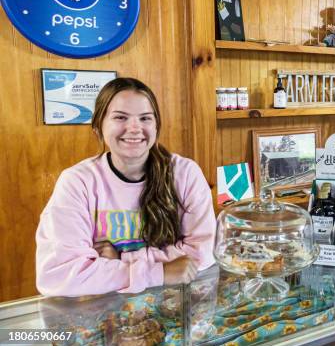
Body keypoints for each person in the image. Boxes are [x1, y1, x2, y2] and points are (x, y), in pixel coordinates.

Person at [36, 78, 216, 296]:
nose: (134, 128)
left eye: (145, 118)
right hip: (105, 311)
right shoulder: (77, 182)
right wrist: (159, 272)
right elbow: (59, 275)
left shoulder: (185, 173)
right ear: (97, 126)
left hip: (173, 305)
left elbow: (201, 255)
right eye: (120, 117)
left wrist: (121, 259)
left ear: (156, 126)